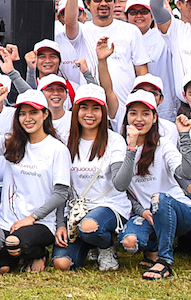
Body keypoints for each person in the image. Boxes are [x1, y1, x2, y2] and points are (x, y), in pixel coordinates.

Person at [117, 94, 191, 281]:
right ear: (126, 117)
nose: (139, 119)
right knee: (129, 243)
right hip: (146, 214)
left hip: (178, 210)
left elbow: (186, 173)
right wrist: (131, 149)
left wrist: (184, 136)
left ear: (154, 118)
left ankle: (164, 260)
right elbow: (121, 187)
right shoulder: (119, 147)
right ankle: (152, 246)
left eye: (145, 114)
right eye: (133, 113)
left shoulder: (164, 144)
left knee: (159, 199)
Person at [55, 84, 134, 272]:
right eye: (84, 107)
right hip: (76, 211)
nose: (89, 114)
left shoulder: (114, 140)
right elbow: (61, 187)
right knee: (61, 263)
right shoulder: (65, 140)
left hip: (108, 205)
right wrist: (60, 224)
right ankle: (90, 245)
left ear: (104, 112)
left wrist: (131, 150)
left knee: (90, 227)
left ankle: (105, 246)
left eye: (96, 108)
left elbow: (120, 184)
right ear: (75, 111)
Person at [0, 98, 71, 274]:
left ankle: (38, 252)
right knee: (1, 267)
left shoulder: (57, 149)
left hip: (41, 222)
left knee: (13, 243)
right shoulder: (12, 144)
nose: (28, 118)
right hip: (9, 220)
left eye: (33, 112)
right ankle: (24, 255)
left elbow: (61, 194)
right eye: (22, 114)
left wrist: (32, 218)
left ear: (45, 114)